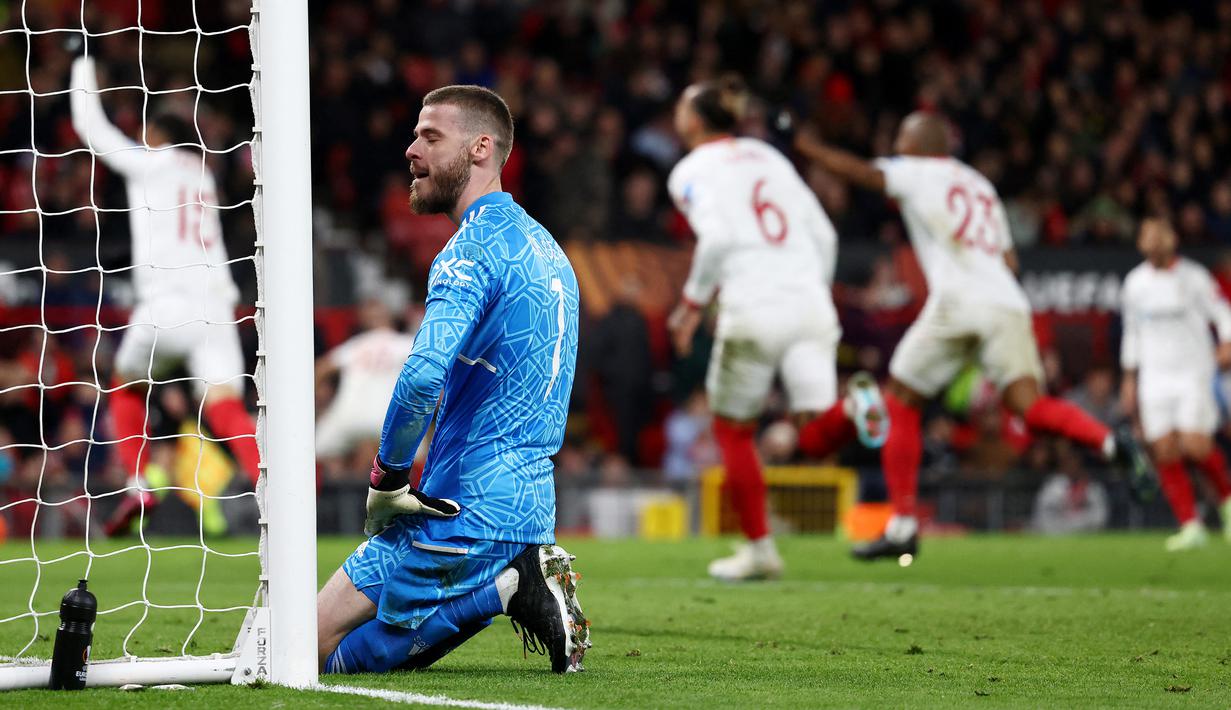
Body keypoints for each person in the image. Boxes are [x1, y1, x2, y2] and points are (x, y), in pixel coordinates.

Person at [316, 85, 589, 675]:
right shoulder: (549, 251)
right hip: (525, 501)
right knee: (302, 638)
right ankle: (511, 585)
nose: (411, 149)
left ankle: (508, 589)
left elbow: (420, 379)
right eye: (416, 134)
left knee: (309, 658)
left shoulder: (471, 251)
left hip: (461, 508)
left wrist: (387, 476)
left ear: (481, 148)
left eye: (430, 137)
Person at [795, 111, 1153, 561]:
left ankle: (903, 526)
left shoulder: (916, 171)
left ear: (918, 143)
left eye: (901, 138)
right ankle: (1109, 441)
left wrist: (809, 148)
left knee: (901, 400)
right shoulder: (980, 185)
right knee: (1031, 405)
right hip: (1006, 301)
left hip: (958, 300)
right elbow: (1010, 262)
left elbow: (860, 173)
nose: (896, 148)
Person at [666, 76, 888, 582]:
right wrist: (810, 288)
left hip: (754, 305)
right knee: (814, 431)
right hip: (809, 301)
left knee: (733, 428)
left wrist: (691, 307)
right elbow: (825, 234)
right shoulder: (769, 157)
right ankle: (855, 409)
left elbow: (718, 239)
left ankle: (760, 549)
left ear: (695, 120)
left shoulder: (690, 169)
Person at [69, 57, 261, 536]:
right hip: (216, 306)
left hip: (167, 301)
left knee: (124, 382)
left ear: (155, 136)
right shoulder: (205, 176)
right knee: (222, 404)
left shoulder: (151, 163)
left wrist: (84, 62)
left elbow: (89, 126)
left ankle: (138, 482)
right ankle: (268, 487)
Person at [1121, 218, 1231, 551]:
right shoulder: (1135, 283)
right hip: (1154, 378)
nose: (1152, 242)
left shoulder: (1194, 278)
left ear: (1173, 238)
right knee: (1164, 449)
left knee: (1195, 444)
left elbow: (1224, 313)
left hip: (1193, 373)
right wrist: (1129, 378)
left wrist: (1227, 343)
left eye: (1158, 235)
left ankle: (1227, 504)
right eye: (1146, 236)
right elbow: (1132, 333)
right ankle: (1191, 526)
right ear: (1140, 243)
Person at [315, 298, 415, 468]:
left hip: (348, 414)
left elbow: (322, 367)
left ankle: (337, 490)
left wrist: (319, 399)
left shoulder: (356, 344)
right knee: (415, 459)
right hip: (389, 417)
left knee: (318, 455)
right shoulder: (408, 342)